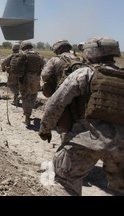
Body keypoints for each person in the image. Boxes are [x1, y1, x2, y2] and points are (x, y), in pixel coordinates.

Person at [39, 36, 124, 196]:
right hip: (121, 146)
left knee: (64, 183)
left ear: (94, 53)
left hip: (87, 140)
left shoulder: (85, 74)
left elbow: (56, 103)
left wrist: (45, 129)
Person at [18, 40, 46, 126]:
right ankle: (29, 111)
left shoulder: (23, 54)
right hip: (36, 77)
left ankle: (27, 117)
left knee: (25, 96)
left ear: (23, 47)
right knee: (33, 95)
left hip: (25, 78)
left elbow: (18, 66)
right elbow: (45, 66)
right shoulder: (39, 55)